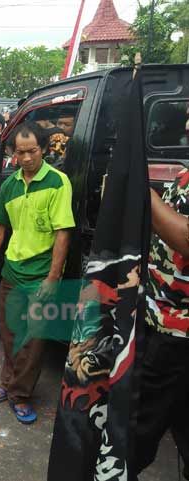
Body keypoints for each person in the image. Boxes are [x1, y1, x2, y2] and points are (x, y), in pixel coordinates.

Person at [0, 121, 74, 424]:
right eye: (21, 152)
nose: (27, 158)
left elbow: (63, 233)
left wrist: (52, 278)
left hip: (40, 274)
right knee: (9, 335)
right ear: (13, 154)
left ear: (43, 149)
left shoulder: (58, 182)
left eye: (32, 151)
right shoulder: (10, 185)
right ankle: (7, 384)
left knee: (32, 342)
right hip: (12, 271)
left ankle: (19, 394)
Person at [131, 170, 189, 480]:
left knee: (136, 429)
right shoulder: (183, 175)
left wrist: (147, 198)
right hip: (160, 318)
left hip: (177, 333)